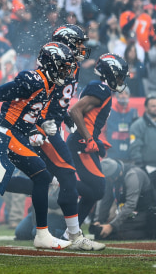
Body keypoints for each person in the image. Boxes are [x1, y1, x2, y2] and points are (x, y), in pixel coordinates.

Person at [0, 42, 76, 250]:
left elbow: (25, 117)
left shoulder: (49, 84)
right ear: (50, 64)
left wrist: (36, 131)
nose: (65, 71)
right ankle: (42, 234)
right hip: (6, 131)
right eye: (62, 66)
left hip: (16, 132)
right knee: (42, 176)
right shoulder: (32, 80)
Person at [34, 25, 106, 251]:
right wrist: (43, 119)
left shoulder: (71, 65)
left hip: (51, 124)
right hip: (43, 127)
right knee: (62, 176)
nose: (83, 47)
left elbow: (59, 99)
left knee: (43, 178)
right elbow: (41, 91)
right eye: (79, 42)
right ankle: (72, 235)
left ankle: (64, 233)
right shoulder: (56, 63)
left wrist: (62, 116)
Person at [67, 53, 129, 227]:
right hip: (81, 143)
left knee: (94, 191)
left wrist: (97, 139)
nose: (120, 80)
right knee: (97, 188)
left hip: (83, 141)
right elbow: (75, 111)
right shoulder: (101, 89)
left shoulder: (102, 89)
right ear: (110, 73)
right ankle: (60, 181)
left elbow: (88, 119)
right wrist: (89, 138)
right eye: (118, 76)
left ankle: (71, 232)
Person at [90, 158, 155, 240]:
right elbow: (106, 201)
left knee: (118, 231)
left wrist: (111, 226)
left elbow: (131, 205)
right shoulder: (111, 178)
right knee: (103, 233)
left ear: (114, 176)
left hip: (145, 213)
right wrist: (99, 221)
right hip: (131, 214)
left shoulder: (132, 175)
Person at [104, 87, 138, 162]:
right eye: (121, 93)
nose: (123, 95)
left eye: (126, 93)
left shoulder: (134, 113)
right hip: (112, 153)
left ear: (129, 95)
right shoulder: (109, 112)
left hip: (129, 154)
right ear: (116, 96)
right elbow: (103, 132)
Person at [130, 94, 156, 189]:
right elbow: (135, 147)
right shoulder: (137, 125)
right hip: (147, 168)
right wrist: (141, 167)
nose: (155, 108)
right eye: (153, 106)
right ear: (146, 107)